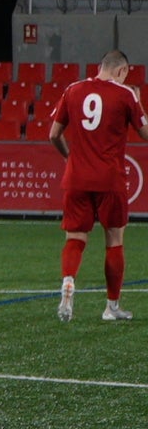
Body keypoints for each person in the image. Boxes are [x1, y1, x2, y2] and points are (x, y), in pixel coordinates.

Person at [47, 48, 145, 323]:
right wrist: (138, 102)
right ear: (121, 71)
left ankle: (68, 281)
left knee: (75, 238)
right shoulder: (125, 94)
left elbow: (53, 134)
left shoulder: (73, 89)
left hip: (77, 178)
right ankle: (111, 307)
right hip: (110, 179)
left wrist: (70, 157)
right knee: (114, 240)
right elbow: (145, 132)